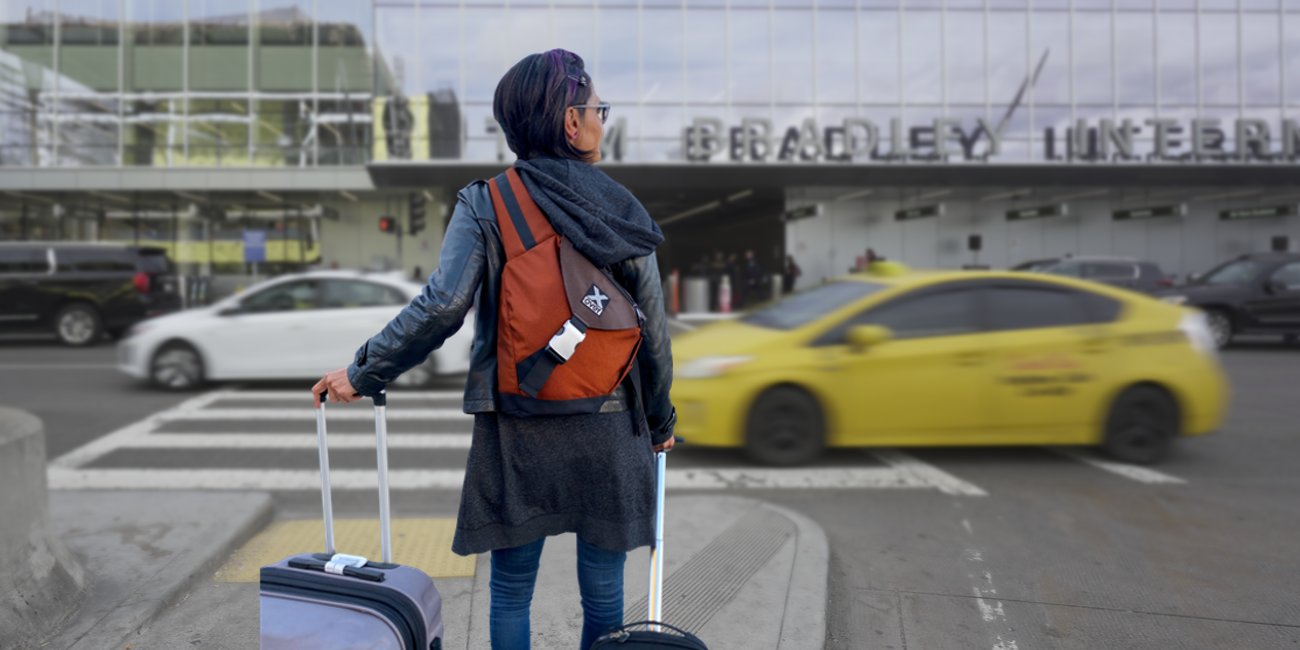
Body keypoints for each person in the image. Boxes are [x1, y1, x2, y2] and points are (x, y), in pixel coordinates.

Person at [311, 49, 676, 650]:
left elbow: (441, 307)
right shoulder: (623, 210)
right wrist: (660, 420)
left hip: (519, 422)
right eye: (597, 109)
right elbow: (654, 333)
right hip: (612, 427)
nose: (602, 121)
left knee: (510, 591)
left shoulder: (487, 203)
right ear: (570, 122)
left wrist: (364, 372)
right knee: (605, 597)